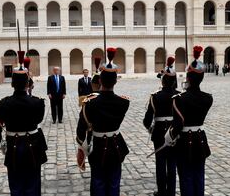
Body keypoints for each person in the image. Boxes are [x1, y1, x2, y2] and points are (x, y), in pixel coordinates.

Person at [0, 51, 47, 196]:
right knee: (33, 186)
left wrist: (3, 146)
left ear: (12, 84)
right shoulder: (38, 103)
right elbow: (38, 120)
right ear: (28, 84)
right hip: (33, 147)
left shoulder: (2, 104)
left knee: (16, 187)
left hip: (13, 148)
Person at [76, 48, 130, 196]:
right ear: (116, 81)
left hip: (97, 146)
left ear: (99, 80)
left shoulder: (90, 102)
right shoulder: (124, 102)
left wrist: (81, 146)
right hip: (116, 145)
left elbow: (81, 129)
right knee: (114, 183)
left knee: (98, 182)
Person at [165, 46, 213, 196]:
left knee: (186, 176)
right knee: (199, 175)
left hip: (185, 141)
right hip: (200, 139)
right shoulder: (208, 98)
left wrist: (168, 137)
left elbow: (178, 125)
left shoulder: (179, 99)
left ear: (188, 77)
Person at [143, 57, 179, 196]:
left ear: (163, 80)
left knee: (160, 164)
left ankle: (162, 192)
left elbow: (147, 120)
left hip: (158, 133)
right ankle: (171, 192)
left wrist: (150, 128)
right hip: (174, 133)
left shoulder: (155, 96)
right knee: (172, 164)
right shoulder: (179, 96)